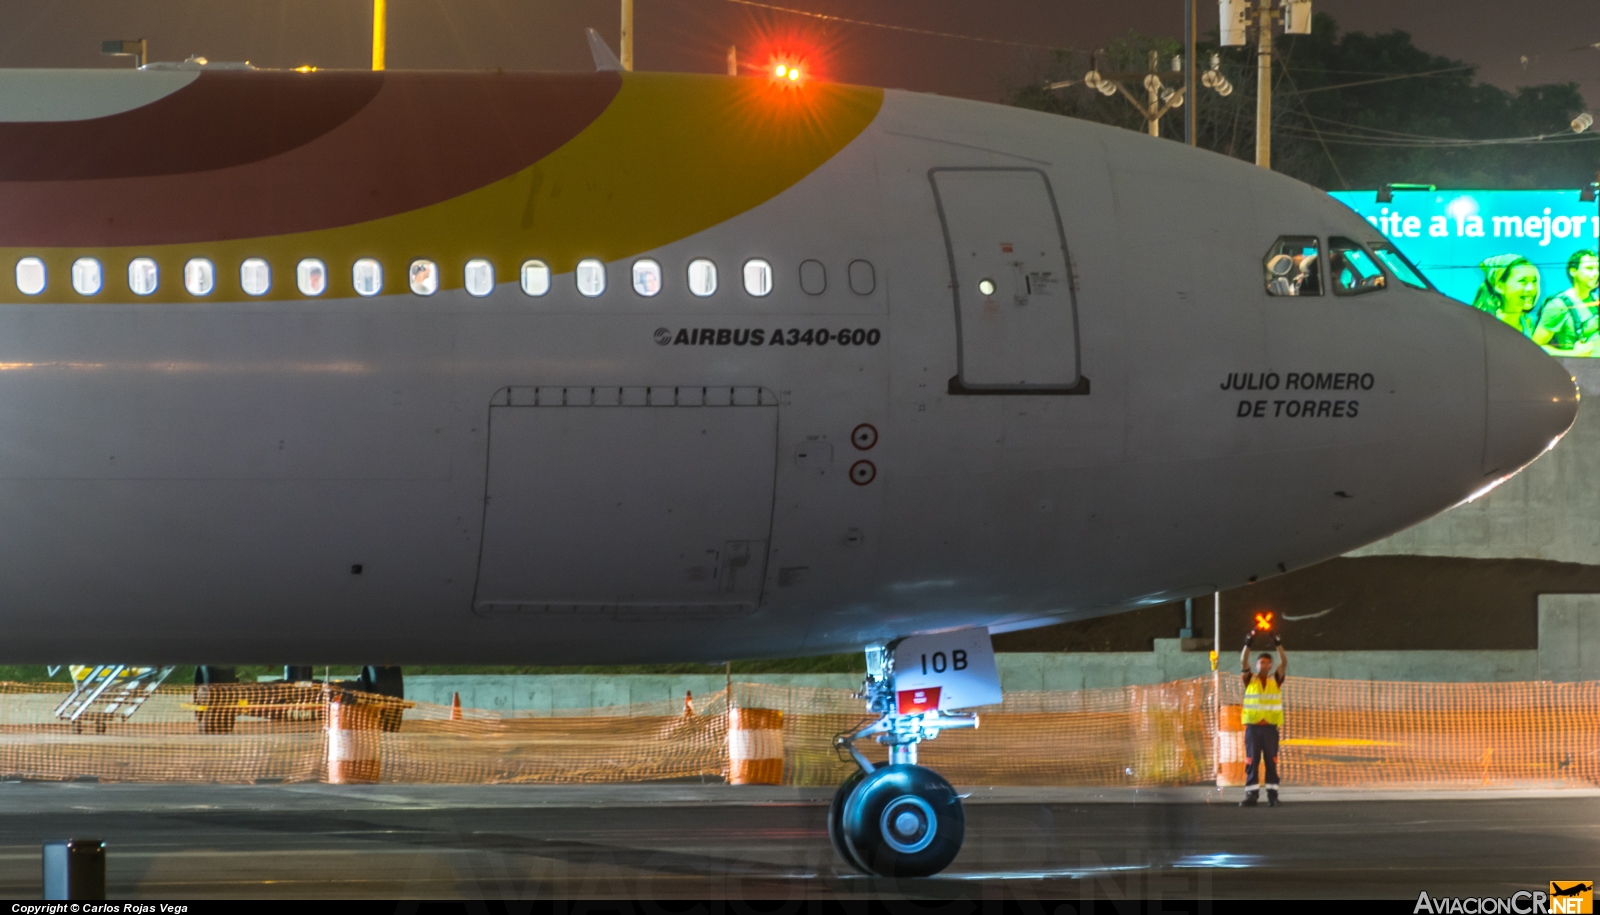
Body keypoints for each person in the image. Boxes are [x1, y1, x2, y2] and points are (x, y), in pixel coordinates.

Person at [1239, 627, 1287, 807]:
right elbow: (1243, 659)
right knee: (1252, 761)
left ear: (1270, 666)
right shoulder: (1249, 679)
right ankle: (1251, 795)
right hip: (1253, 729)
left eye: (1266, 662)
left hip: (1270, 729)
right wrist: (1248, 641)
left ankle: (1272, 795)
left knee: (1271, 761)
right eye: (1260, 662)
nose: (1262, 665)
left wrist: (1277, 642)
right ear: (1256, 665)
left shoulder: (1276, 678)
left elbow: (1284, 661)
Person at [1531, 249, 1599, 355]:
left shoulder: (1594, 298)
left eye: (1597, 269)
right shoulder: (1558, 306)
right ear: (1573, 271)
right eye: (1589, 268)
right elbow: (1535, 347)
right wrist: (1574, 354)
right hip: (1576, 369)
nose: (1595, 273)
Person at [1470, 254, 1541, 333]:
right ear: (1500, 286)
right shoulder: (1485, 326)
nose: (1531, 288)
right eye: (1522, 281)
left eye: (1534, 281)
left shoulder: (1529, 324)